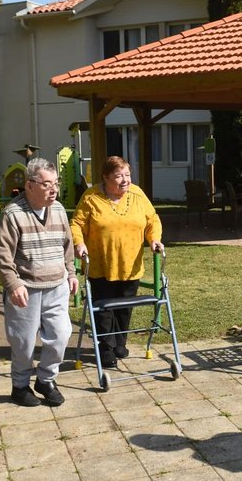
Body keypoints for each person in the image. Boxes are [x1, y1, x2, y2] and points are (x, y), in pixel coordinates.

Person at [0, 158, 78, 407]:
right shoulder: (13, 214)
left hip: (57, 285)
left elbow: (67, 246)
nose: (54, 189)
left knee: (61, 334)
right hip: (26, 289)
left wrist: (72, 273)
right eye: (47, 184)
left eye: (56, 183)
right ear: (30, 185)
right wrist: (13, 284)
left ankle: (46, 379)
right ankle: (20, 386)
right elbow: (3, 255)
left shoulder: (60, 210)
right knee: (23, 342)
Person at [71, 156, 163, 368]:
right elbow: (76, 223)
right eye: (119, 176)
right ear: (105, 177)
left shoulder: (137, 194)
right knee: (104, 308)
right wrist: (78, 243)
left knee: (125, 306)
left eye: (127, 175)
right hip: (101, 264)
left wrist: (154, 239)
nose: (125, 180)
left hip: (130, 264)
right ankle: (106, 347)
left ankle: (120, 341)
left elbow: (152, 219)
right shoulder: (91, 197)